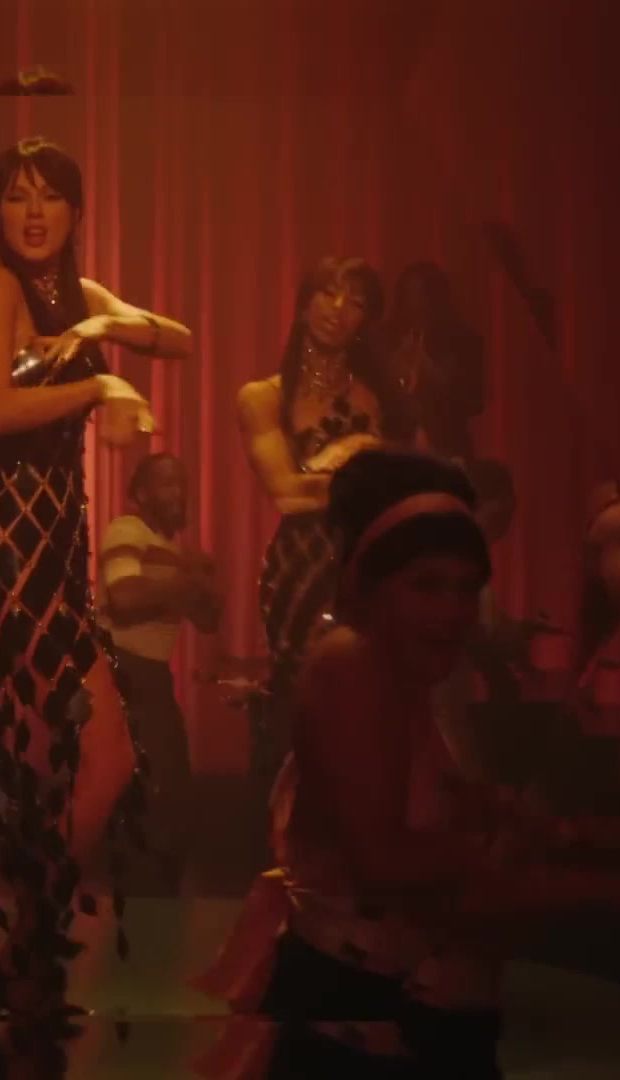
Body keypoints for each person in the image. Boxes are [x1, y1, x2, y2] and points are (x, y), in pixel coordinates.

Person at [195, 449, 620, 1078]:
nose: (452, 610)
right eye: (427, 583)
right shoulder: (351, 663)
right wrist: (606, 889)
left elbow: (433, 828)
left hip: (395, 1006)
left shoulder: (395, 670)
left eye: (466, 587)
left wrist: (552, 836)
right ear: (370, 574)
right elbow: (386, 863)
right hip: (360, 1014)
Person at [0, 136, 194, 1029]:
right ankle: (27, 954)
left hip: (54, 546)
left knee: (105, 759)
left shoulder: (78, 296)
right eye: (16, 196)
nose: (34, 212)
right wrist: (96, 390)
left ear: (77, 211)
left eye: (49, 195)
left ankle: (28, 947)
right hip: (3, 545)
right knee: (49, 752)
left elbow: (180, 340)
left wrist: (100, 332)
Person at [239, 257, 410, 780]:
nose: (338, 309)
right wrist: (361, 456)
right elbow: (287, 495)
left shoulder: (379, 399)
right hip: (303, 567)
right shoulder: (264, 396)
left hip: (370, 561)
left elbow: (403, 483)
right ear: (303, 303)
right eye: (328, 293)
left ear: (366, 320)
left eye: (355, 301)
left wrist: (345, 460)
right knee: (305, 709)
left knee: (372, 708)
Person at [99, 451, 220, 894]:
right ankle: (145, 899)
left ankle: (153, 896)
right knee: (158, 794)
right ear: (140, 494)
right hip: (122, 672)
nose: (178, 493)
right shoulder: (127, 529)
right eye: (166, 484)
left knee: (169, 793)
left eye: (182, 484)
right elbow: (124, 597)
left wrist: (198, 579)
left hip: (150, 675)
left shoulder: (171, 552)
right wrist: (188, 579)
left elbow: (210, 619)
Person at [382, 261, 486, 459]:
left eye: (421, 294)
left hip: (448, 447)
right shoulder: (386, 337)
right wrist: (394, 367)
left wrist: (431, 370)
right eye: (409, 295)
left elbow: (474, 401)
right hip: (394, 447)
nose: (415, 303)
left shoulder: (464, 340)